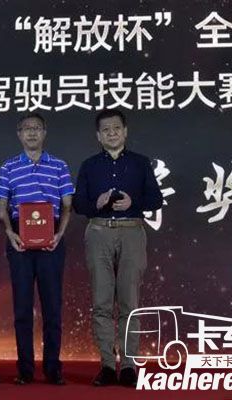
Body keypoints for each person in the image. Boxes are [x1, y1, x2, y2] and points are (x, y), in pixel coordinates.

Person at [73, 109, 163, 387]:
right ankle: (107, 365)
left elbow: (156, 200)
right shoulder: (89, 165)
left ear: (125, 131)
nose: (111, 133)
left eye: (116, 128)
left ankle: (129, 366)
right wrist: (96, 204)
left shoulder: (140, 163)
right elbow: (78, 204)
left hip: (131, 231)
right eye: (106, 130)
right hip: (98, 231)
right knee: (101, 302)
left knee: (129, 302)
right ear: (98, 136)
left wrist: (134, 203)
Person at [0, 113, 74, 386]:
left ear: (44, 133)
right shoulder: (8, 167)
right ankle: (25, 369)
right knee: (22, 307)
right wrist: (9, 233)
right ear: (19, 134)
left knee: (52, 307)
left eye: (37, 128)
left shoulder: (60, 166)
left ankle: (53, 369)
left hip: (52, 238)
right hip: (19, 238)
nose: (32, 133)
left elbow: (67, 205)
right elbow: (2, 206)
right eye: (26, 129)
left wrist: (60, 233)